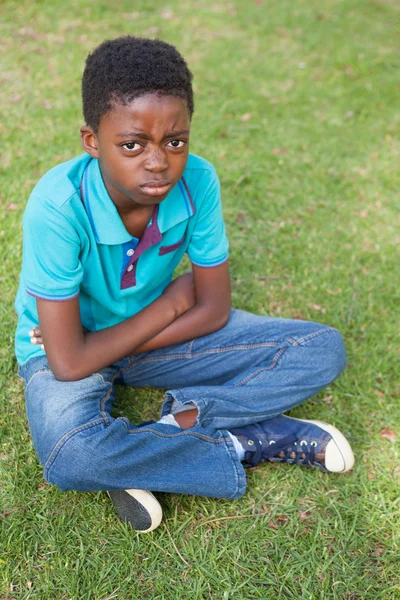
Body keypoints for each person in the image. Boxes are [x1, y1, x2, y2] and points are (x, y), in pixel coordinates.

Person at [15, 36, 354, 533]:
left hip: (121, 343)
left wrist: (113, 343)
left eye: (175, 141)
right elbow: (67, 363)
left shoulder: (198, 182)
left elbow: (214, 309)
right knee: (71, 454)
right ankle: (246, 441)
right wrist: (170, 304)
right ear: (91, 141)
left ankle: (167, 434)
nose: (158, 162)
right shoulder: (58, 207)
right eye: (132, 145)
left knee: (320, 348)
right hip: (60, 348)